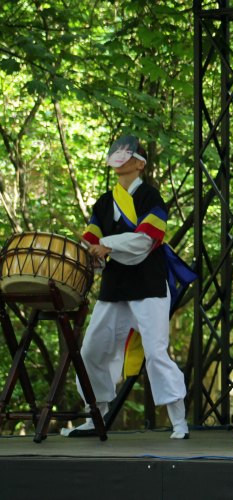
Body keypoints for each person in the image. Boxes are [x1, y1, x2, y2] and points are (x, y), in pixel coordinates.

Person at [60, 135, 188, 440]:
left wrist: (107, 245)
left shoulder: (150, 197)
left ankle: (179, 422)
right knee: (91, 349)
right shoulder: (104, 202)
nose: (120, 159)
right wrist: (84, 254)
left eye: (126, 155)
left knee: (156, 352)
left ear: (138, 163)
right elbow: (89, 242)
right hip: (116, 287)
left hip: (148, 283)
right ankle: (97, 415)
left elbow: (147, 239)